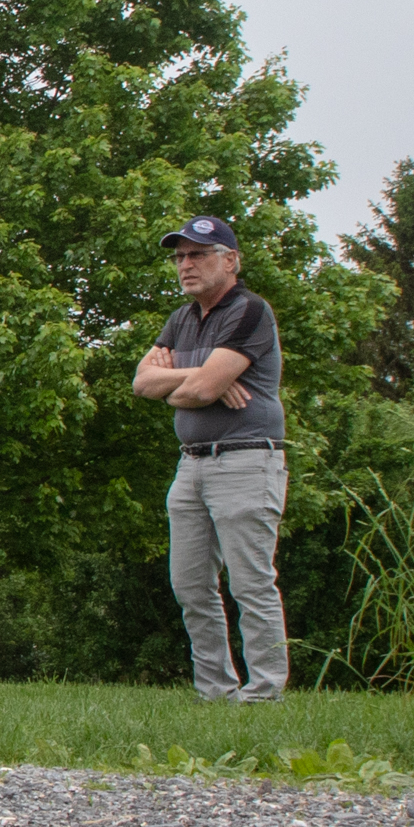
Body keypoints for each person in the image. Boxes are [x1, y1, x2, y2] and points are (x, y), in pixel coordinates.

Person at [131, 215, 290, 702]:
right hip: (192, 464)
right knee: (190, 585)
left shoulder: (250, 311)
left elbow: (197, 388)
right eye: (179, 257)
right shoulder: (181, 319)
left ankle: (263, 694)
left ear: (231, 260)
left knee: (250, 583)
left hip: (245, 460)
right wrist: (203, 377)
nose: (185, 265)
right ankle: (216, 692)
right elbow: (142, 384)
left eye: (198, 254)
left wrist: (186, 380)